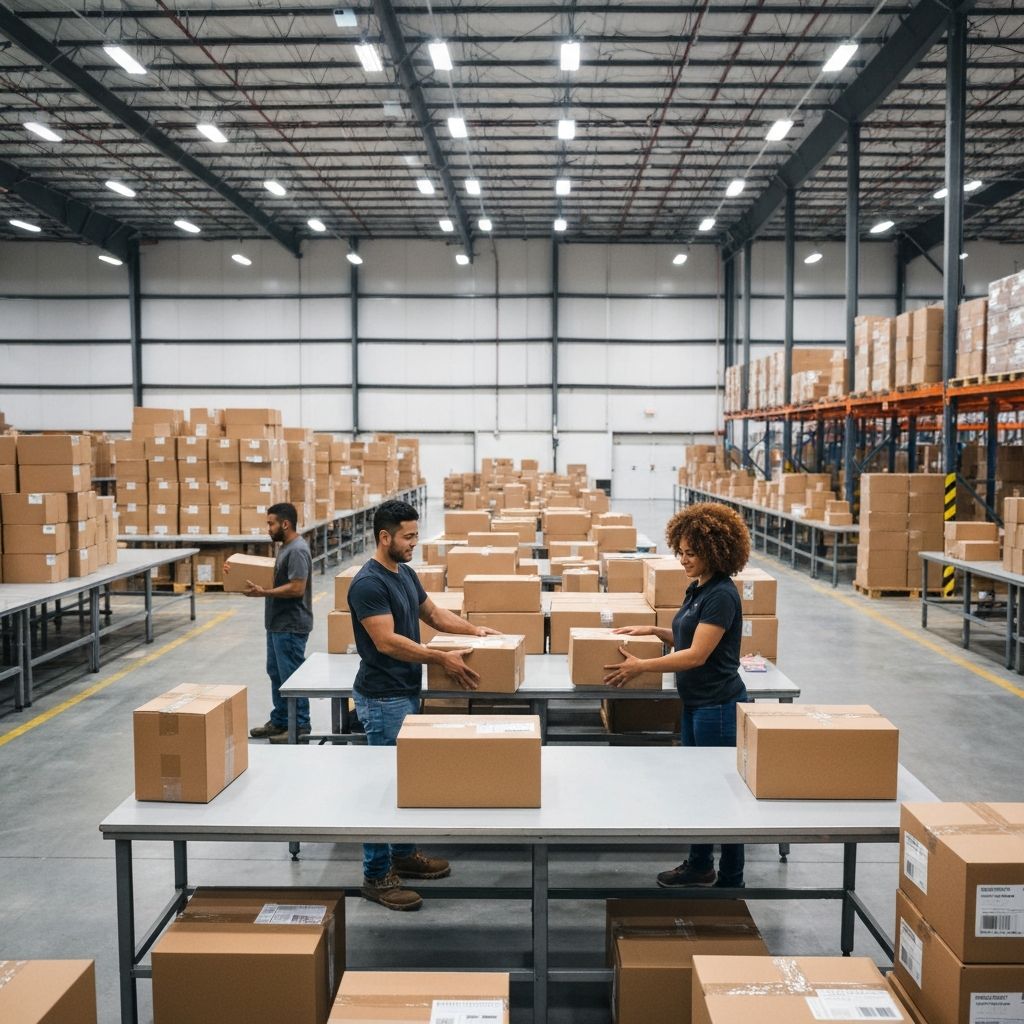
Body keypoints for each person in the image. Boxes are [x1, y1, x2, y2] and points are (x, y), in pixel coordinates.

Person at [348, 498, 501, 912]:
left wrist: (475, 631)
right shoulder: (368, 583)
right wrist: (439, 657)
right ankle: (376, 875)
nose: (415, 542)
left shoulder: (405, 574)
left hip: (405, 691)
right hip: (382, 697)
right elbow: (385, 640)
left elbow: (433, 614)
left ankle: (403, 853)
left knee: (405, 778)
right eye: (409, 536)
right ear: (385, 537)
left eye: (416, 534)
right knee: (383, 788)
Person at [603, 501, 751, 889]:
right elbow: (689, 634)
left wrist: (641, 667)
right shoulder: (698, 587)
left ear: (716, 551)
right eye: (681, 552)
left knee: (724, 794)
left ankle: (731, 877)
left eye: (692, 553)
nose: (684, 559)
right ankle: (700, 863)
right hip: (696, 704)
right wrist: (655, 631)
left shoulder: (722, 594)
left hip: (718, 706)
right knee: (699, 788)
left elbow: (698, 654)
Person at [225, 502, 313, 744]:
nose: (268, 528)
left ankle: (301, 725)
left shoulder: (297, 550)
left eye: (271, 523)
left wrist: (264, 592)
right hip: (277, 623)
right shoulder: (285, 547)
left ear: (285, 524)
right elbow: (272, 578)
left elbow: (297, 588)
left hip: (291, 624)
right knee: (276, 673)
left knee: (291, 675)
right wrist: (238, 574)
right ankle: (281, 720)